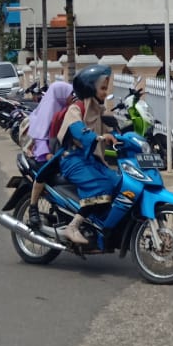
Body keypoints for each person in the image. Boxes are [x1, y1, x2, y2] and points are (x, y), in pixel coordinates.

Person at [56, 65, 122, 247]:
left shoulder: (98, 111)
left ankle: (100, 222)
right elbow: (77, 129)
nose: (105, 93)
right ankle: (73, 226)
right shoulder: (76, 109)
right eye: (102, 88)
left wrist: (125, 139)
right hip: (72, 159)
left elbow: (112, 131)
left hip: (91, 160)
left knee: (118, 182)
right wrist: (98, 137)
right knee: (102, 185)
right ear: (90, 88)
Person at [23, 80, 74, 229]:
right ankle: (33, 206)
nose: (72, 96)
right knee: (46, 172)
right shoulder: (48, 111)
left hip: (59, 152)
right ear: (60, 95)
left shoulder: (65, 109)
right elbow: (40, 138)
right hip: (41, 155)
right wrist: (47, 155)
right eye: (69, 94)